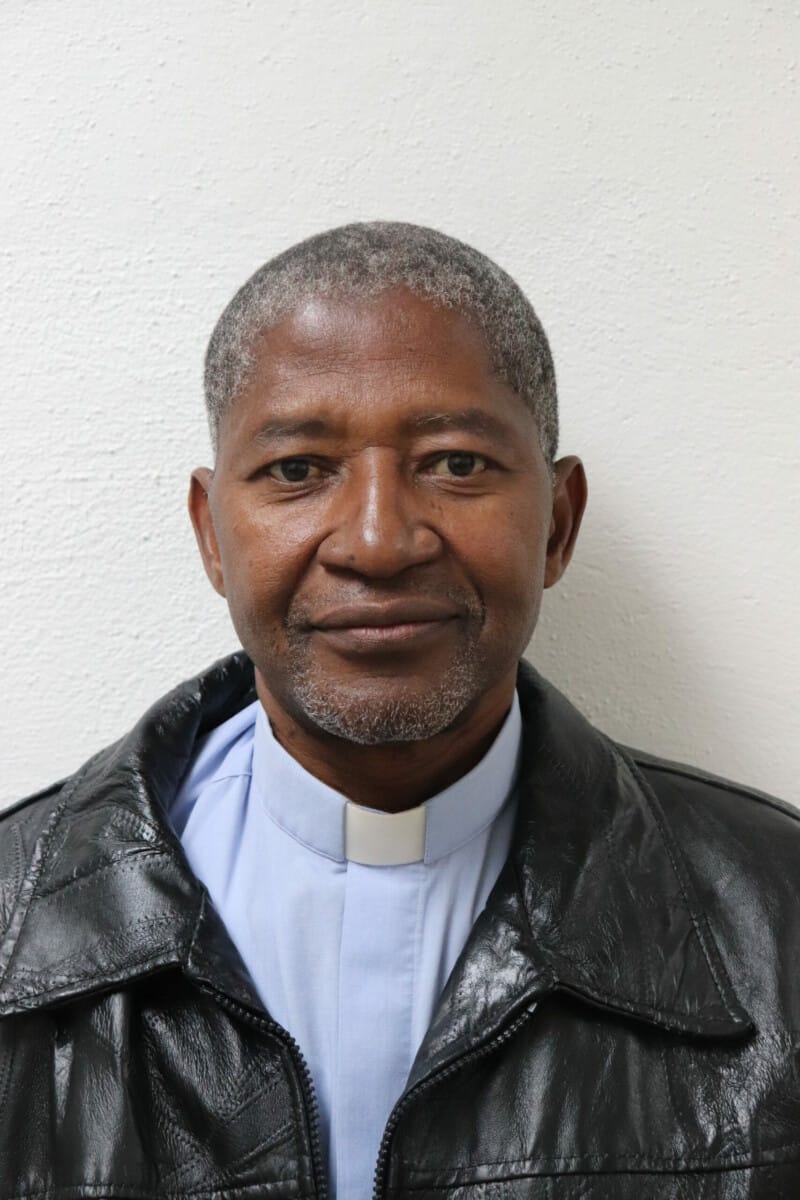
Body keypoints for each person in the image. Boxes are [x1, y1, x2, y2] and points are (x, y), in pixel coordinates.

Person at [0, 222, 798, 1200]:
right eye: (298, 469)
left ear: (557, 523)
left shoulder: (780, 918)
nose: (377, 543)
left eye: (454, 463)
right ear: (212, 535)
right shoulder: (13, 917)